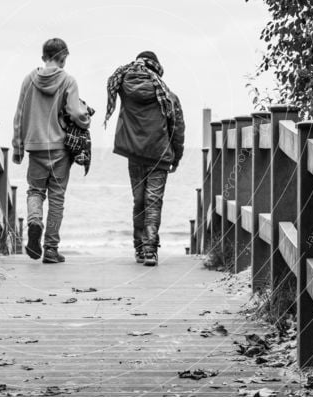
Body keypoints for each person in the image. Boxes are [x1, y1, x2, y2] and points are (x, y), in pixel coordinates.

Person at [12, 38, 91, 264]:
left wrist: (18, 147)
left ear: (43, 57)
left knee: (35, 191)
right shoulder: (68, 81)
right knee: (57, 198)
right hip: (59, 148)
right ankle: (51, 250)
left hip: (35, 147)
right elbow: (76, 114)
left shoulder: (29, 80)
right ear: (64, 57)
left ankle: (34, 222)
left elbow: (19, 115)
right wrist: (86, 119)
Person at [105, 51, 185, 266]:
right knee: (153, 202)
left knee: (139, 201)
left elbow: (119, 81)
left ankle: (139, 249)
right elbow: (177, 127)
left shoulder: (123, 88)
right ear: (156, 68)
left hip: (134, 154)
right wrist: (176, 157)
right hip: (159, 155)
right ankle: (150, 250)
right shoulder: (167, 95)